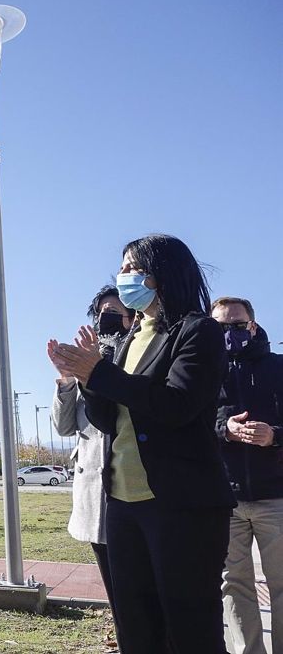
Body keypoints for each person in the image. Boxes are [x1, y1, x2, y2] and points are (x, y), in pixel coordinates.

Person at [48, 234, 234, 653]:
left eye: (132, 267)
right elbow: (106, 418)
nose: (124, 276)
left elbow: (176, 405)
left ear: (162, 273)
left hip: (182, 505)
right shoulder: (131, 338)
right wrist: (87, 378)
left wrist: (100, 373)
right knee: (135, 626)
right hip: (123, 504)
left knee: (191, 628)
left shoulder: (198, 331)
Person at [49, 285, 133, 640]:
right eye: (101, 314)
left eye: (116, 313)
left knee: (140, 590)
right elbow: (65, 426)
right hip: (95, 498)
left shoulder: (143, 353)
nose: (107, 320)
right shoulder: (86, 361)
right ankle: (123, 638)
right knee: (115, 589)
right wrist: (69, 378)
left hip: (134, 492)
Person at [212, 296, 283, 654]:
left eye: (236, 325)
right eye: (220, 327)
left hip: (276, 498)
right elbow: (188, 425)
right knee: (234, 586)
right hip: (226, 500)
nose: (229, 334)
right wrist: (224, 429)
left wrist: (274, 435)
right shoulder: (204, 372)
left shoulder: (279, 367)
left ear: (252, 326)